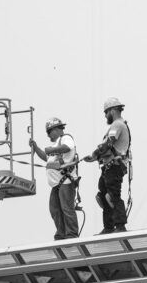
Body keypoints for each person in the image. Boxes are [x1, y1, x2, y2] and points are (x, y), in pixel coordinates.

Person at [82, 97, 131, 234]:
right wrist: (96, 157)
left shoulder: (117, 125)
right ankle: (109, 227)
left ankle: (120, 226)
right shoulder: (117, 125)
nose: (105, 115)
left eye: (106, 112)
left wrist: (94, 155)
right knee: (103, 196)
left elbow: (108, 143)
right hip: (109, 167)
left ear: (113, 110)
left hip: (114, 167)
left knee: (112, 195)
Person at [29, 117, 79, 240]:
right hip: (57, 185)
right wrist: (35, 147)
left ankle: (71, 234)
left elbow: (68, 147)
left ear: (56, 129)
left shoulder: (65, 138)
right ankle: (61, 234)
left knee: (67, 209)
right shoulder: (56, 146)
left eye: (49, 131)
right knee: (55, 210)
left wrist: (52, 149)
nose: (48, 135)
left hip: (66, 182)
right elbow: (46, 157)